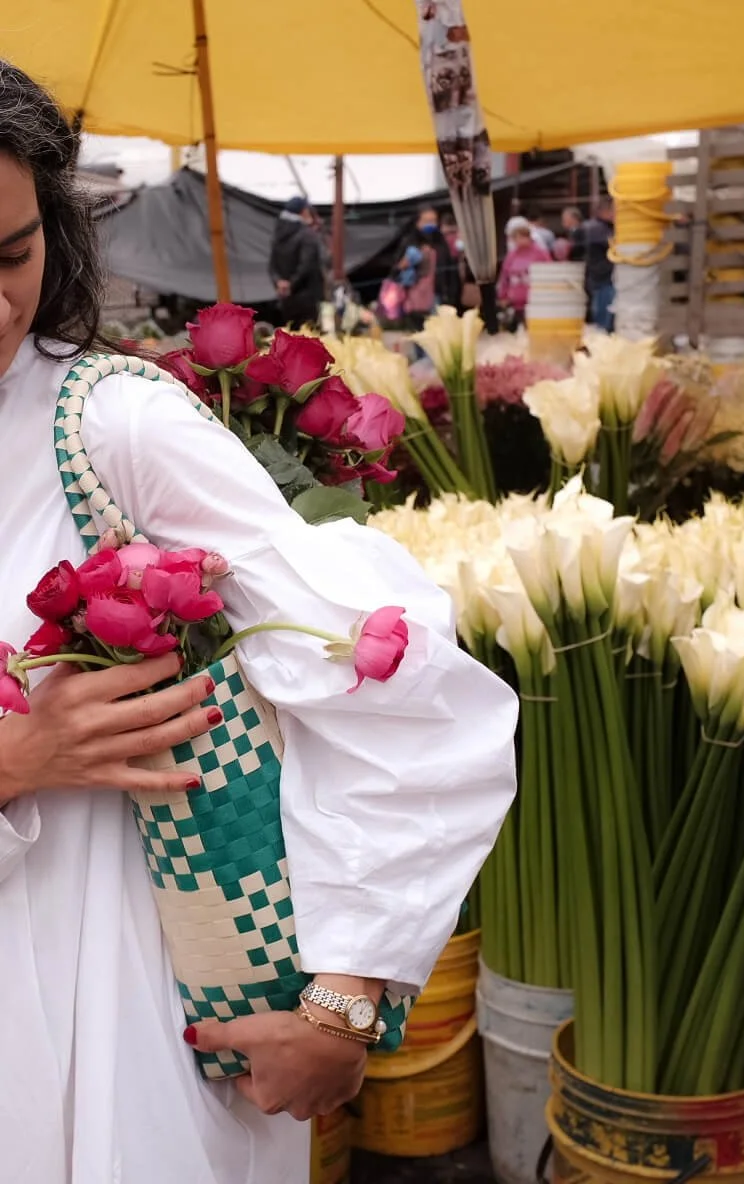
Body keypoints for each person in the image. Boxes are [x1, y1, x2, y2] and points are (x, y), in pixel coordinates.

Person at [0, 61, 518, 1184]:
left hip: (121, 995)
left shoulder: (111, 428)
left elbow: (392, 681)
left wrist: (345, 1001)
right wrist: (17, 757)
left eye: (10, 255)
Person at [268, 195, 325, 327]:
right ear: (303, 211)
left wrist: (279, 283)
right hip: (307, 296)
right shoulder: (307, 235)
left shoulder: (277, 234)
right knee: (309, 333)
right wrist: (291, 283)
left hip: (285, 298)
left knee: (291, 333)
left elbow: (271, 266)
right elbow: (307, 265)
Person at [497, 215, 551, 327]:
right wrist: (503, 296)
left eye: (518, 237)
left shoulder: (540, 253)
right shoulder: (512, 255)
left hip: (536, 303)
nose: (515, 240)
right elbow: (505, 277)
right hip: (516, 304)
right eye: (513, 238)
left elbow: (549, 274)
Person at [583, 196, 616, 331]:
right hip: (602, 277)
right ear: (604, 211)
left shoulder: (603, 227)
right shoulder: (596, 228)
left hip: (606, 276)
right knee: (603, 315)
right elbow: (613, 245)